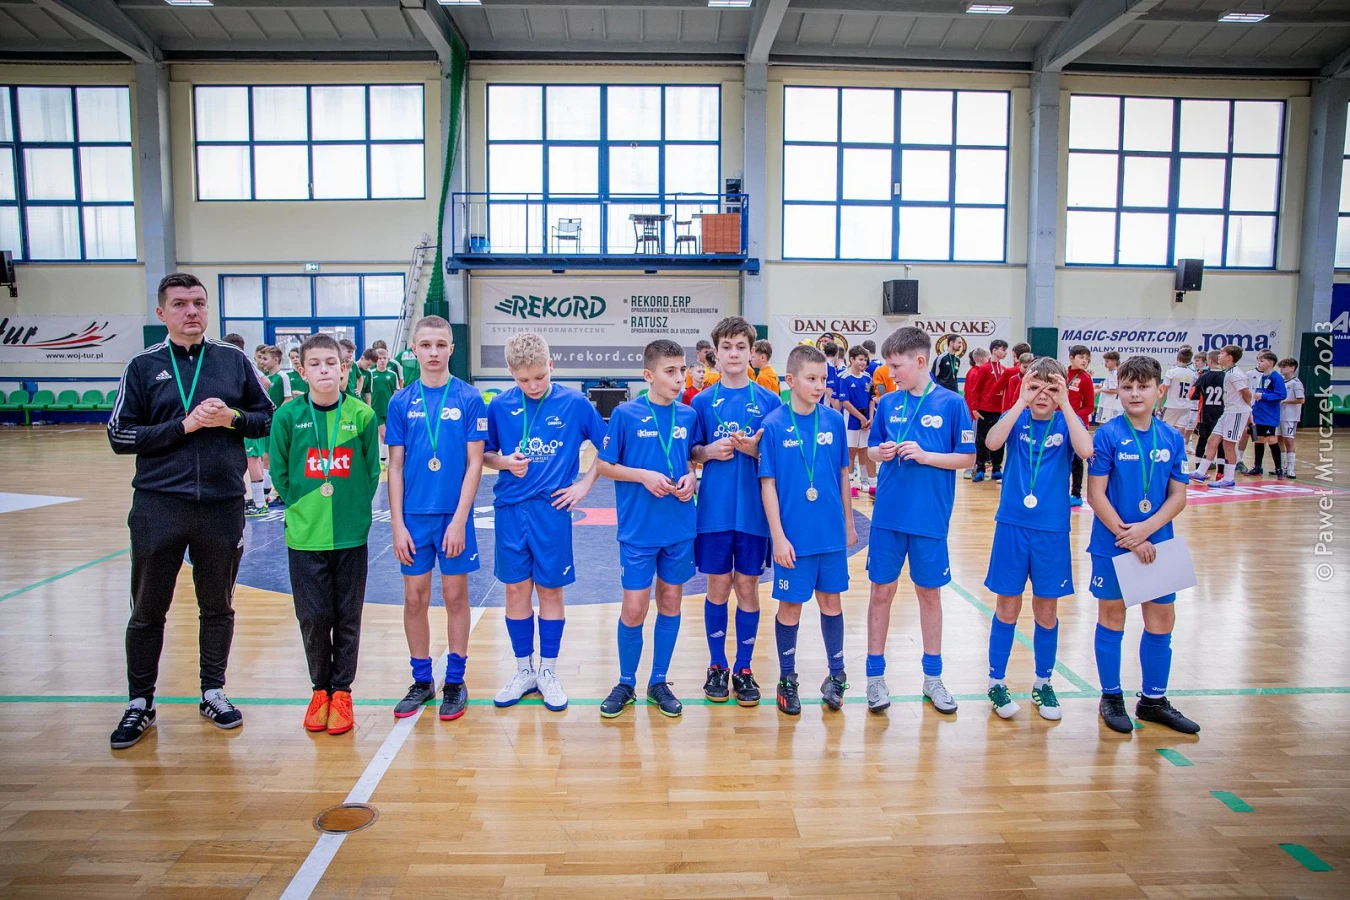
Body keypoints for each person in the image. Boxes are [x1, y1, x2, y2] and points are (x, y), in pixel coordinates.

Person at [107, 273, 275, 750]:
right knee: (148, 608)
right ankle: (140, 701)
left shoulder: (232, 360)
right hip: (159, 504)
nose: (192, 312)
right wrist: (183, 426)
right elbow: (120, 435)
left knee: (217, 605)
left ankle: (212, 691)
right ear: (161, 313)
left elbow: (268, 417)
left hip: (221, 504)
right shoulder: (143, 366)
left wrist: (232, 419)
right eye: (180, 304)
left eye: (199, 303)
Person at [483, 332, 607, 712]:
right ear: (511, 374)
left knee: (551, 592)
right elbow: (486, 454)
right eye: (524, 379)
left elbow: (609, 448)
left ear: (551, 365)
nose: (533, 385)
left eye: (540, 376)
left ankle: (548, 672)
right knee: (516, 591)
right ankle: (524, 670)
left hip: (551, 511)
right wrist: (505, 462)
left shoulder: (575, 403)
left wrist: (584, 485)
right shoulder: (500, 405)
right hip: (510, 510)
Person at [269, 334, 380, 736]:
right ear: (301, 371)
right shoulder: (287, 417)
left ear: (344, 367)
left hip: (350, 534)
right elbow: (280, 473)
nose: (324, 371)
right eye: (314, 364)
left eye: (331, 363)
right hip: (305, 535)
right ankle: (320, 690)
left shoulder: (362, 415)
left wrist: (352, 510)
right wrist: (305, 507)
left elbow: (372, 473)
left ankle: (343, 692)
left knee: (348, 616)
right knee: (314, 617)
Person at [864, 327, 976, 714]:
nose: (891, 373)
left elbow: (968, 458)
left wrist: (927, 456)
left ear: (920, 361)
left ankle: (933, 678)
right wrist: (880, 452)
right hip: (888, 517)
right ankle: (875, 677)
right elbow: (872, 450)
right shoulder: (888, 403)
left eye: (896, 366)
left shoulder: (952, 404)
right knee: (881, 592)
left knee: (929, 594)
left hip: (930, 518)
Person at [1085, 355, 1199, 736]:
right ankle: (1111, 697)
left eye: (1143, 386)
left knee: (1162, 620)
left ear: (1159, 390)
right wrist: (1129, 536)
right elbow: (1095, 494)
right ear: (1118, 390)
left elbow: (1178, 496)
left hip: (1158, 544)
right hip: (1113, 542)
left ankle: (1153, 700)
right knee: (1112, 617)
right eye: (1127, 387)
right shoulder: (1107, 435)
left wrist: (1147, 530)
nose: (1135, 393)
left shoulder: (1172, 438)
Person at [386, 316, 486, 722]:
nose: (433, 352)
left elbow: (476, 463)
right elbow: (395, 467)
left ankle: (455, 680)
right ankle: (422, 679)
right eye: (425, 345)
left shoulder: (469, 398)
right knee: (415, 598)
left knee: (456, 596)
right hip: (413, 517)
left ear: (451, 349)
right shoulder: (400, 402)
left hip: (452, 515)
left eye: (441, 345)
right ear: (414, 349)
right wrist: (397, 525)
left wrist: (460, 519)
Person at [981, 358, 1093, 720]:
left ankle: (1043, 682)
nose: (1043, 394)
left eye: (1051, 387)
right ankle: (996, 681)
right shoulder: (1017, 419)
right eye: (1035, 386)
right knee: (1007, 607)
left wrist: (1066, 404)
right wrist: (1020, 400)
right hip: (1012, 526)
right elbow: (992, 441)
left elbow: (1086, 451)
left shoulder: (1066, 422)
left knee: (1046, 611)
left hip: (1052, 530)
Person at [596, 340, 699, 719]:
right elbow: (604, 465)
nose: (679, 378)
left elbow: (690, 459)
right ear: (648, 375)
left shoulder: (688, 415)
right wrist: (642, 475)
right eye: (670, 371)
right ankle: (626, 682)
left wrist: (691, 477)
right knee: (635, 607)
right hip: (639, 530)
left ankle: (659, 681)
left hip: (679, 527)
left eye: (682, 370)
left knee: (670, 601)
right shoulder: (625, 414)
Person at [759, 344, 857, 715]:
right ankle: (787, 679)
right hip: (793, 539)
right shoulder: (773, 424)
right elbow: (768, 484)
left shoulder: (832, 420)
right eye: (811, 379)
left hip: (830, 535)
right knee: (791, 608)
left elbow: (843, 474)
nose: (819, 386)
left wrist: (849, 524)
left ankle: (836, 675)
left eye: (823, 379)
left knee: (832, 602)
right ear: (790, 380)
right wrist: (778, 537)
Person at [689, 317, 782, 706]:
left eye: (740, 347)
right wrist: (709, 451)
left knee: (746, 586)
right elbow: (692, 453)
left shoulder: (770, 401)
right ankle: (717, 664)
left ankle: (743, 667)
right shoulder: (701, 402)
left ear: (751, 352)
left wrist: (755, 450)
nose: (733, 353)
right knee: (717, 585)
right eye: (726, 347)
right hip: (713, 510)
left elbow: (779, 457)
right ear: (715, 353)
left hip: (754, 513)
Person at [1189, 345, 1252, 489]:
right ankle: (1200, 472)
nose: (1219, 355)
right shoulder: (1227, 372)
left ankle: (1228, 478)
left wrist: (1249, 413)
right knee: (1212, 440)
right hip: (1227, 411)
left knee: (1228, 444)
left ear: (1229, 357)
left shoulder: (1235, 374)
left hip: (1236, 412)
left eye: (1222, 353)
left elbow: (1247, 395)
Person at [225, 332, 271, 517]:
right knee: (256, 459)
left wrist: (249, 402)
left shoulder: (243, 362)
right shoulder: (240, 363)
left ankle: (259, 503)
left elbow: (265, 382)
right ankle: (260, 500)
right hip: (250, 419)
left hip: (249, 419)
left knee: (253, 460)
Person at [969, 340, 1010, 483]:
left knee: (999, 440)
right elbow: (976, 389)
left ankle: (997, 469)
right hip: (984, 410)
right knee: (981, 440)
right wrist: (974, 408)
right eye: (1003, 350)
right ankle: (980, 469)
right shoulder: (985, 368)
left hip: (1000, 410)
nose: (1005, 353)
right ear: (994, 350)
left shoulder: (1004, 369)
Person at [839, 345, 876, 497]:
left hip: (866, 420)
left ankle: (873, 484)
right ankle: (851, 484)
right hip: (851, 420)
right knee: (851, 451)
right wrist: (860, 417)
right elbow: (845, 402)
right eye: (860, 359)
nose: (863, 362)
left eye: (865, 360)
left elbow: (872, 398)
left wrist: (871, 417)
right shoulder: (844, 378)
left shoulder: (868, 378)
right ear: (852, 359)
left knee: (866, 451)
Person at [1244, 350, 1287, 477]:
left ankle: (1278, 468)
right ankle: (1257, 467)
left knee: (1271, 439)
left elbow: (1282, 395)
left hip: (1270, 414)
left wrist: (1264, 396)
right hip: (1259, 413)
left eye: (1262, 361)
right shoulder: (1261, 377)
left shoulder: (1276, 377)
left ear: (1270, 363)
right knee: (1258, 439)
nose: (1259, 363)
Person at [1065, 345, 1095, 506]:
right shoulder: (1062, 374)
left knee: (1077, 460)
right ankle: (1058, 490)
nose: (1084, 361)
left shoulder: (1086, 378)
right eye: (1081, 357)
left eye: (1087, 359)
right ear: (1071, 358)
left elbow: (1089, 406)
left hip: (1078, 423)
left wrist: (1074, 417)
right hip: (1060, 422)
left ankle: (1076, 493)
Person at [1189, 350, 1225, 467]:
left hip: (1205, 413)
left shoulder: (1204, 377)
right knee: (1221, 442)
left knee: (1202, 439)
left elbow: (1192, 395)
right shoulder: (1226, 376)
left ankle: (1198, 466)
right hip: (1221, 413)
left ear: (1209, 361)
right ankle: (1221, 471)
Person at [368, 349, 402, 464]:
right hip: (376, 409)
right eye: (380, 358)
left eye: (384, 358)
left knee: (391, 435)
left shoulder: (392, 375)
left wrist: (396, 408)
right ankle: (384, 459)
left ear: (388, 359)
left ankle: (386, 459)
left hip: (389, 410)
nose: (382, 361)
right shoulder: (371, 374)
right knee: (383, 434)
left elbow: (396, 392)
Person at [962, 346, 989, 479]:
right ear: (982, 359)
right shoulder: (975, 373)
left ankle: (977, 466)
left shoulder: (977, 372)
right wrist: (975, 410)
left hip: (975, 412)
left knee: (977, 439)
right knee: (973, 440)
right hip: (974, 413)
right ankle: (969, 468)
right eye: (988, 359)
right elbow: (972, 394)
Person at [1160, 346, 1197, 440]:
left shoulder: (1171, 372)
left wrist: (1159, 405)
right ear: (1190, 360)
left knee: (1165, 429)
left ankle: (1166, 446)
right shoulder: (1193, 373)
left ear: (1177, 358)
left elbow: (1164, 390)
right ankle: (1179, 447)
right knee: (1180, 429)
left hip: (1172, 405)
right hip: (1186, 405)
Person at [1278, 358, 1304, 479]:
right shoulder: (1282, 381)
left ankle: (1290, 469)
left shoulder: (1296, 383)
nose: (1281, 369)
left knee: (1289, 440)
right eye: (1281, 367)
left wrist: (1285, 401)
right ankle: (1281, 466)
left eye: (1284, 367)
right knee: (1279, 439)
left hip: (1290, 416)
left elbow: (1301, 400)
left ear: (1292, 368)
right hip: (1279, 415)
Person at [1097, 351, 1121, 424]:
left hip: (1107, 404)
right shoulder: (1116, 373)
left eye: (1107, 361)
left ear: (1114, 362)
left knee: (1103, 423)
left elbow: (1116, 390)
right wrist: (1102, 385)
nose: (1105, 363)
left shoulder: (1113, 374)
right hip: (1111, 404)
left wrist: (1100, 390)